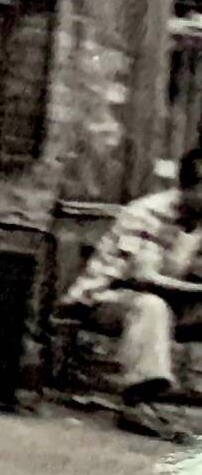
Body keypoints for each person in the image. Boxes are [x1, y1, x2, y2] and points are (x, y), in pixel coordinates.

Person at [63, 147, 202, 423]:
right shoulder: (148, 213)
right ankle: (138, 400)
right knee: (150, 307)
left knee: (159, 307)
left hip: (174, 302)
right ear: (189, 188)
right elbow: (143, 277)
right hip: (107, 297)